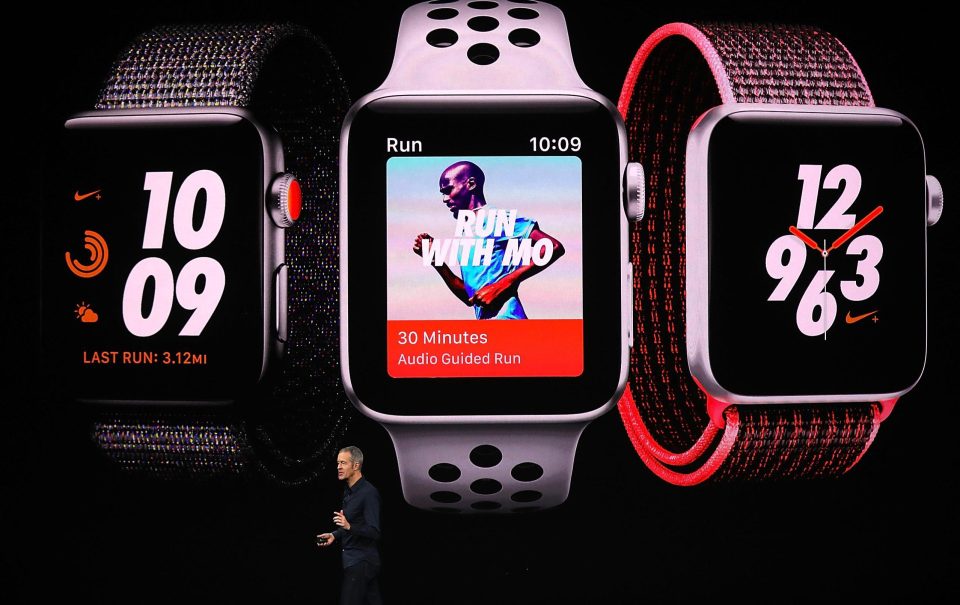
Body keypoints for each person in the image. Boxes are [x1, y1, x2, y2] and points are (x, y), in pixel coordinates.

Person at [413, 161, 565, 319]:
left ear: (471, 184)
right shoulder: (466, 232)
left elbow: (553, 247)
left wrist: (503, 284)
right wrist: (435, 259)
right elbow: (470, 297)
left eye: (448, 190)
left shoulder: (495, 218)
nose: (445, 199)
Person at [317, 446, 382, 605]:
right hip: (354, 561)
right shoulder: (348, 491)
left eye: (343, 463)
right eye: (338, 463)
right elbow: (351, 524)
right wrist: (334, 535)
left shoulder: (369, 493)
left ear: (356, 465)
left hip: (361, 562)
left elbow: (374, 531)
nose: (338, 467)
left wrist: (348, 527)